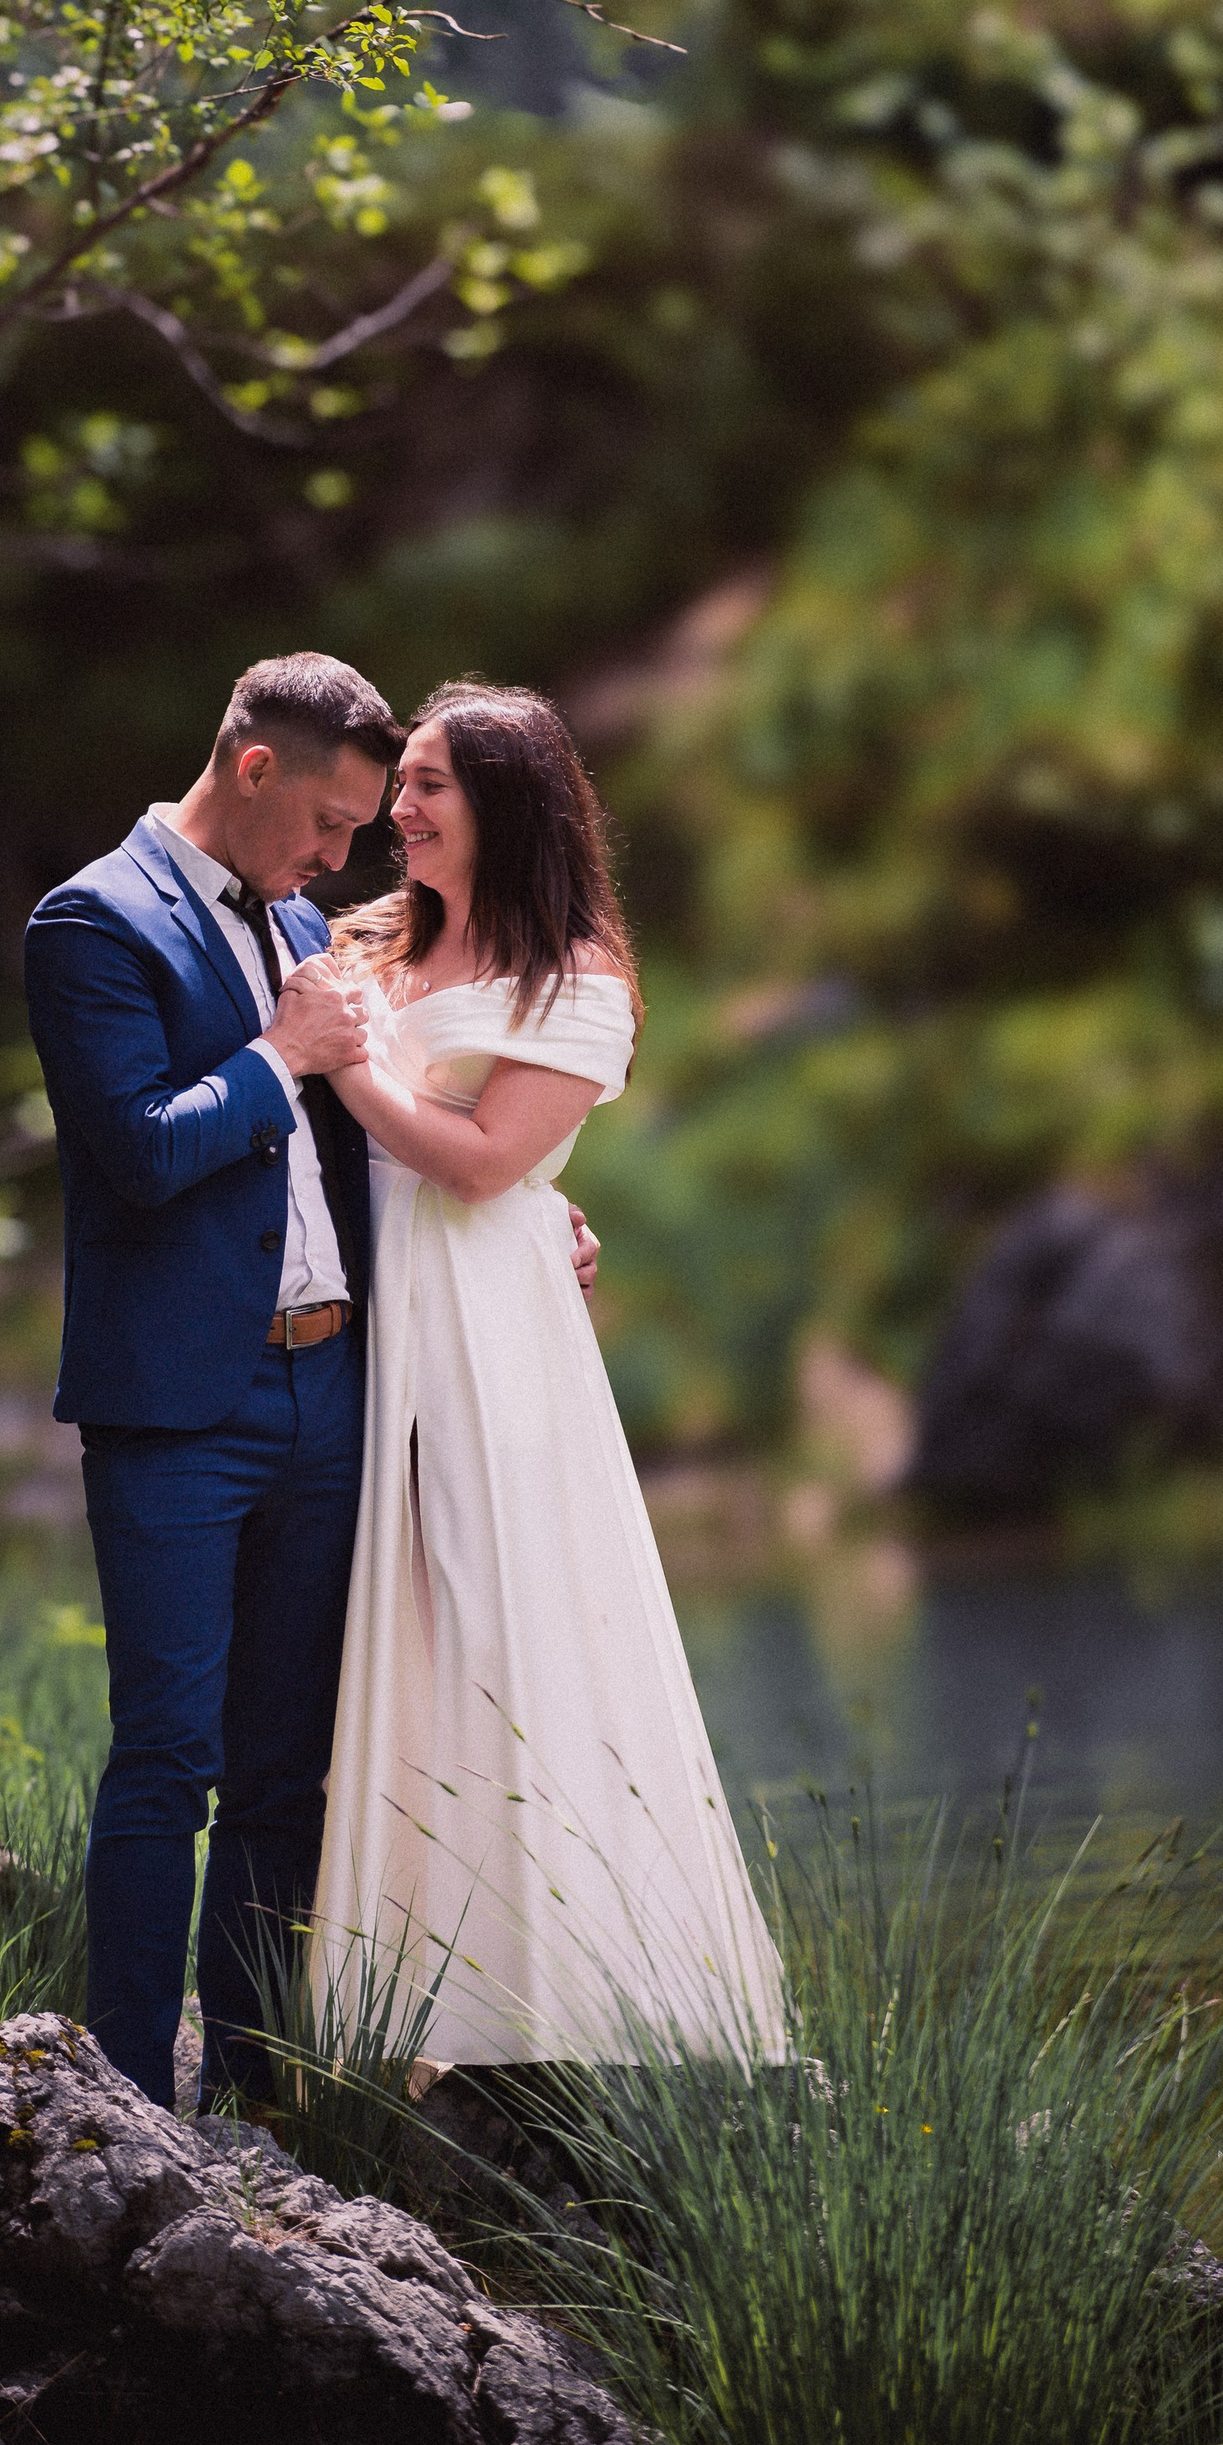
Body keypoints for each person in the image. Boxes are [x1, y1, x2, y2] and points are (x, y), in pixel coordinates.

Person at [23, 652, 601, 2113]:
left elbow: (384, 1140)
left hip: (331, 1391)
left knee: (292, 1769)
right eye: (333, 821)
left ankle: (257, 2089)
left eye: (370, 825)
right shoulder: (91, 922)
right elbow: (144, 1151)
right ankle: (128, 2101)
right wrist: (281, 1052)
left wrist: (537, 1214)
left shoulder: (299, 918)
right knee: (168, 1752)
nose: (349, 857)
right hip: (174, 1407)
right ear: (256, 765)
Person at [306, 679, 787, 2068]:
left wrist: (345, 1066)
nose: (398, 807)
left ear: (509, 804)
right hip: (361, 1309)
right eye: (400, 781)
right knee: (375, 1634)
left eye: (430, 783)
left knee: (494, 1611)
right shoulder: (361, 946)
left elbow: (476, 1159)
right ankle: (386, 2005)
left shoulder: (574, 980)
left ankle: (559, 1996)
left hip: (482, 1332)